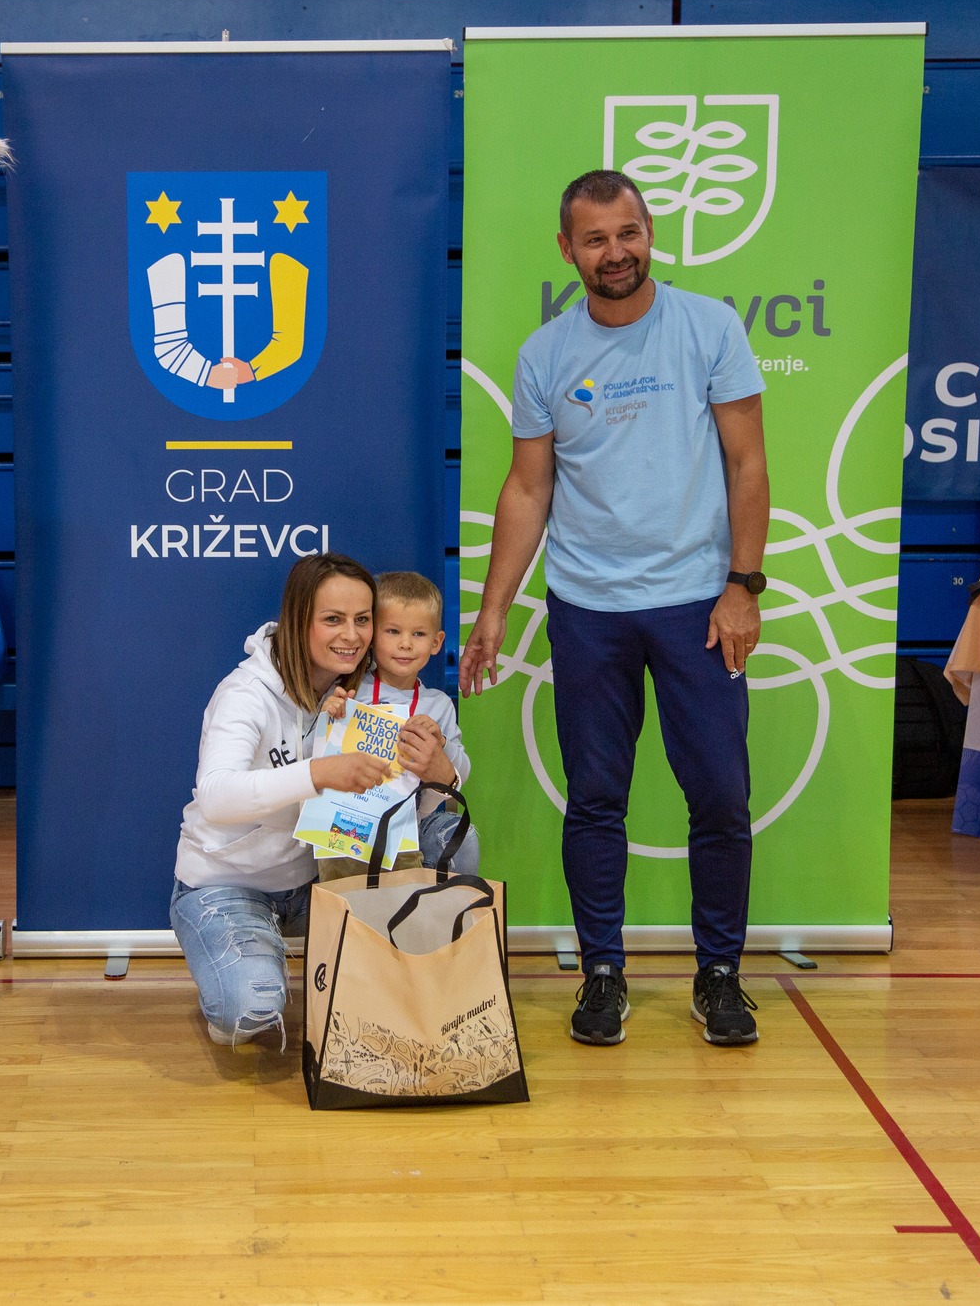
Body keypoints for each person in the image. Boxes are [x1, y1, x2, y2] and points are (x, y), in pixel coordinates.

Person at [460, 169, 771, 1049]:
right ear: (568, 250)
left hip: (697, 604)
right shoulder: (545, 354)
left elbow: (748, 463)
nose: (616, 252)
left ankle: (719, 973)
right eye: (595, 239)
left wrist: (743, 585)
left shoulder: (709, 327)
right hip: (588, 608)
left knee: (720, 795)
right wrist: (493, 610)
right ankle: (602, 971)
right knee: (596, 797)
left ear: (650, 231)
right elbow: (528, 488)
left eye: (627, 232)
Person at [170, 554, 392, 1046]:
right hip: (228, 883)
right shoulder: (245, 693)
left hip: (318, 883)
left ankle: (310, 959)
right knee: (250, 1009)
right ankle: (247, 961)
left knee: (443, 841)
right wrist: (318, 773)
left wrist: (440, 767)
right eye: (332, 619)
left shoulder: (368, 690)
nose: (351, 635)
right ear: (298, 620)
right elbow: (216, 797)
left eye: (363, 619)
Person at [318, 570, 478, 877]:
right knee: (345, 884)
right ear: (372, 635)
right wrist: (327, 717)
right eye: (393, 631)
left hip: (410, 830)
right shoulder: (348, 689)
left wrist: (442, 746)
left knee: (458, 840)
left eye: (418, 634)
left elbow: (460, 777)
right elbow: (313, 757)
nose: (405, 644)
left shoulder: (438, 705)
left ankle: (434, 906)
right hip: (347, 827)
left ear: (436, 642)